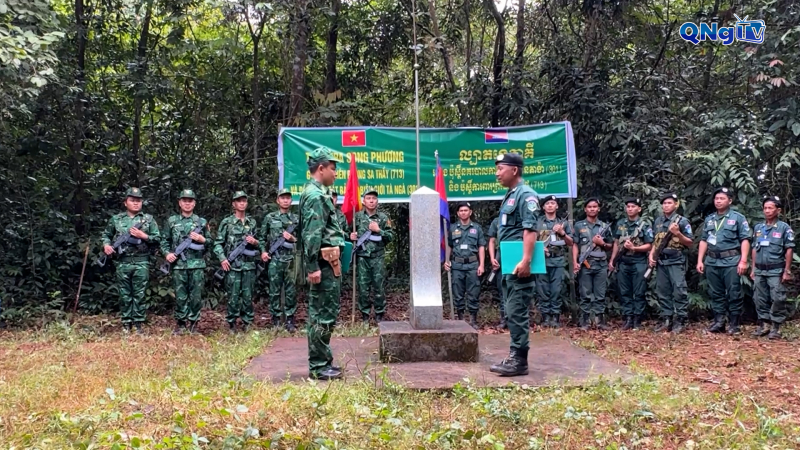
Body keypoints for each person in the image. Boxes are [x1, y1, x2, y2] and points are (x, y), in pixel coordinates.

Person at [489, 153, 539, 377]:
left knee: (516, 309)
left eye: (501, 168)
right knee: (511, 309)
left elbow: (530, 230)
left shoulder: (526, 195)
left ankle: (519, 360)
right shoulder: (510, 195)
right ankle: (514, 355)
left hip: (520, 263)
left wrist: (526, 260)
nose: (497, 173)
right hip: (509, 261)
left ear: (515, 170)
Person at [299, 147, 346, 380]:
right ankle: (318, 366)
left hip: (328, 263)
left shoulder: (318, 192)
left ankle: (323, 361)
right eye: (333, 169)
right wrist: (312, 266)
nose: (335, 173)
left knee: (327, 312)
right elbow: (311, 234)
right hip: (322, 264)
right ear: (321, 168)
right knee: (321, 314)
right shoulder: (315, 195)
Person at [101, 187, 161, 334]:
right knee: (124, 294)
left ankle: (138, 323)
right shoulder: (116, 219)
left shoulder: (148, 220)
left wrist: (143, 236)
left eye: (138, 201)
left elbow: (158, 239)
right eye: (132, 200)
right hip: (123, 262)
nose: (136, 203)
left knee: (140, 294)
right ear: (125, 202)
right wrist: (106, 245)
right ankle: (126, 323)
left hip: (142, 261)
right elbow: (106, 235)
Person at [697, 187, 751, 334]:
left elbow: (745, 240)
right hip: (712, 261)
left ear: (730, 200)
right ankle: (719, 321)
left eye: (722, 198)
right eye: (716, 199)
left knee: (734, 292)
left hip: (731, 260)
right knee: (716, 293)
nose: (718, 201)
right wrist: (700, 260)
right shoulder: (710, 219)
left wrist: (743, 260)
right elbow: (703, 241)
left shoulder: (737, 218)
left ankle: (734, 324)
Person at [160, 189, 209, 334]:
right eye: (184, 201)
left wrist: (202, 239)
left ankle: (194, 324)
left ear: (194, 203)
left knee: (196, 296)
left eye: (190, 201)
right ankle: (181, 324)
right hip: (178, 266)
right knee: (180, 296)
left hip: (197, 265)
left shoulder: (201, 222)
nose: (187, 204)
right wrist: (167, 254)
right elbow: (164, 241)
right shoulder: (172, 221)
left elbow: (212, 242)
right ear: (180, 203)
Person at [213, 191, 260, 334]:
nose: (241, 203)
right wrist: (222, 258)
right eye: (238, 201)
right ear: (233, 204)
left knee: (248, 296)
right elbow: (217, 243)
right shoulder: (227, 222)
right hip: (232, 266)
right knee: (233, 296)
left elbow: (260, 244)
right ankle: (232, 323)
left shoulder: (252, 222)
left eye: (244, 201)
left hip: (249, 265)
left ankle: (247, 323)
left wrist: (255, 242)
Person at [648, 193, 694, 333]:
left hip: (676, 260)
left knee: (679, 290)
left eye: (669, 203)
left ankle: (681, 319)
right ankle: (666, 319)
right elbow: (656, 242)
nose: (666, 205)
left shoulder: (682, 221)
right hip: (661, 261)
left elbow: (690, 243)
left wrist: (678, 233)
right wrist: (651, 255)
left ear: (676, 204)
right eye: (664, 203)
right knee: (663, 291)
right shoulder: (658, 221)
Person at [750, 195, 794, 340]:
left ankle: (776, 326)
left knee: (777, 297)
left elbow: (789, 249)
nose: (767, 211)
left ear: (778, 210)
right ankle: (764, 324)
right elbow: (754, 249)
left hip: (776, 269)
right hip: (760, 269)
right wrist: (753, 269)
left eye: (770, 208)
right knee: (759, 297)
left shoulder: (784, 228)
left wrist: (787, 270)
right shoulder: (758, 228)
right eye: (765, 208)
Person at [608, 197, 653, 331]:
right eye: (628, 206)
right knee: (624, 291)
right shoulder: (621, 223)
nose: (630, 209)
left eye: (633, 206)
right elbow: (616, 243)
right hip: (623, 262)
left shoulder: (644, 225)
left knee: (639, 292)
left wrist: (634, 248)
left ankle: (637, 319)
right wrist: (612, 260)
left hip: (638, 262)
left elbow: (650, 245)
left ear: (639, 209)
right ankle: (628, 318)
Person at [350, 188, 394, 322]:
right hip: (362, 257)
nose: (371, 201)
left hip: (378, 257)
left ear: (377, 201)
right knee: (363, 288)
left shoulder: (383, 218)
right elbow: (348, 234)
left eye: (374, 198)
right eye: (368, 198)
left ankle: (379, 314)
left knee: (379, 286)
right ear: (363, 201)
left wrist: (379, 230)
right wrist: (350, 236)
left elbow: (390, 237)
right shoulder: (357, 217)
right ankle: (364, 315)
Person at [259, 188, 299, 332]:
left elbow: (302, 240)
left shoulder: (296, 219)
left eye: (288, 198)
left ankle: (290, 320)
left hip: (291, 261)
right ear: (277, 200)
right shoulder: (270, 218)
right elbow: (262, 237)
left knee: (291, 291)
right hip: (274, 259)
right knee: (274, 291)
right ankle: (275, 320)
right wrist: (263, 252)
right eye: (282, 198)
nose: (285, 200)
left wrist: (292, 238)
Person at [572, 198, 614, 330]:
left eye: (595, 206)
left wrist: (602, 244)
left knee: (600, 294)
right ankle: (584, 321)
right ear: (585, 209)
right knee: (585, 293)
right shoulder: (579, 225)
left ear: (598, 209)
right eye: (589, 207)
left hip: (601, 264)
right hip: (585, 264)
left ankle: (599, 321)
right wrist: (575, 262)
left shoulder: (603, 226)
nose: (592, 209)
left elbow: (610, 246)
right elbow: (575, 245)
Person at [443, 202, 486, 328]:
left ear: (470, 212)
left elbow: (481, 246)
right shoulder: (452, 228)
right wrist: (447, 261)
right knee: (458, 293)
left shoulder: (476, 228)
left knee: (474, 293)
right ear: (457, 213)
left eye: (465, 210)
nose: (463, 212)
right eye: (461, 210)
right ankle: (461, 320)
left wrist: (482, 265)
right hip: (457, 265)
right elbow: (449, 246)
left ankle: (473, 320)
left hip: (473, 265)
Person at [536, 195, 573, 328]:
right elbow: (530, 240)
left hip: (558, 260)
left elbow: (571, 243)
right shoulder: (538, 222)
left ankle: (556, 317)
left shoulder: (563, 223)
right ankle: (546, 317)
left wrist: (562, 233)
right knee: (542, 289)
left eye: (553, 203)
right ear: (543, 207)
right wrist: (540, 248)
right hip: (542, 260)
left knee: (557, 289)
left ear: (557, 206)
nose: (550, 205)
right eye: (547, 203)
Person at [487, 217, 507, 328]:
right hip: (500, 255)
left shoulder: (520, 218)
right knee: (502, 290)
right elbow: (492, 241)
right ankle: (504, 319)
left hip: (516, 255)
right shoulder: (497, 221)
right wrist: (492, 258)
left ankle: (516, 320)